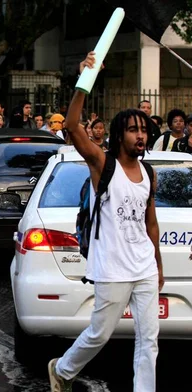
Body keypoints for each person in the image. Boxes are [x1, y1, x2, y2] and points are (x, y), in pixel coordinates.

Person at [48, 52, 163, 392]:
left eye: (143, 130)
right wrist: (84, 81)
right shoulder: (103, 163)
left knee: (149, 340)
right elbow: (71, 126)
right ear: (119, 133)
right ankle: (63, 369)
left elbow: (150, 223)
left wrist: (156, 262)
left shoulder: (148, 172)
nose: (140, 136)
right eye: (132, 130)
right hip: (112, 268)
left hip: (143, 266)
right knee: (100, 333)